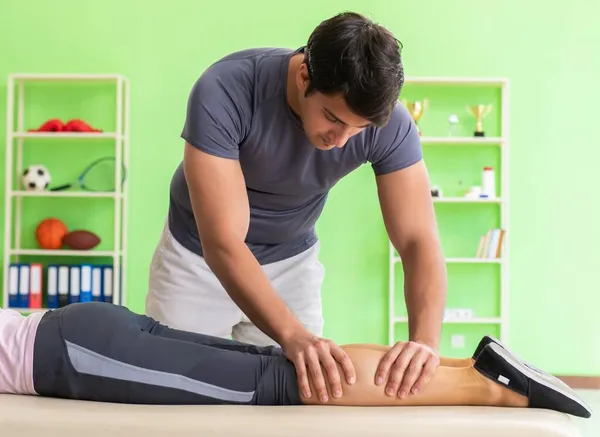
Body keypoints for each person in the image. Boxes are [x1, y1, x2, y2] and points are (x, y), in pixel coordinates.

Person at [146, 11, 447, 404]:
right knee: (173, 397)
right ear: (304, 76)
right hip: (197, 261)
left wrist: (424, 343)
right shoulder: (226, 89)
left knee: (301, 398)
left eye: (359, 130)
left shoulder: (388, 125)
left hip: (291, 263)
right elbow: (223, 242)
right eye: (333, 119)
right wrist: (293, 335)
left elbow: (417, 239)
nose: (342, 141)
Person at [0, 302, 591, 419]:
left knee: (282, 382)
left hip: (66, 351)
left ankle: (494, 389)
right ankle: (466, 367)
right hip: (78, 325)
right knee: (274, 362)